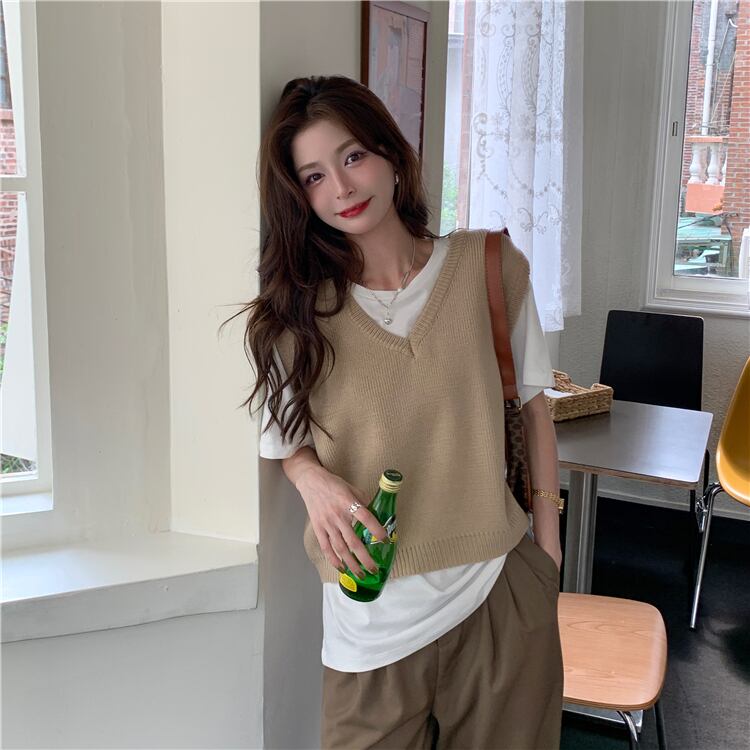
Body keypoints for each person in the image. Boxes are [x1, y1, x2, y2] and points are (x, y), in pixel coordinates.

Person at [232, 75, 564, 749]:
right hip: (370, 620)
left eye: (352, 157)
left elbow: (536, 411)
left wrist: (548, 556)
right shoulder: (297, 312)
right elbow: (283, 441)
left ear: (390, 153)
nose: (341, 188)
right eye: (315, 176)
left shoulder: (488, 267)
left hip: (497, 590)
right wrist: (313, 480)